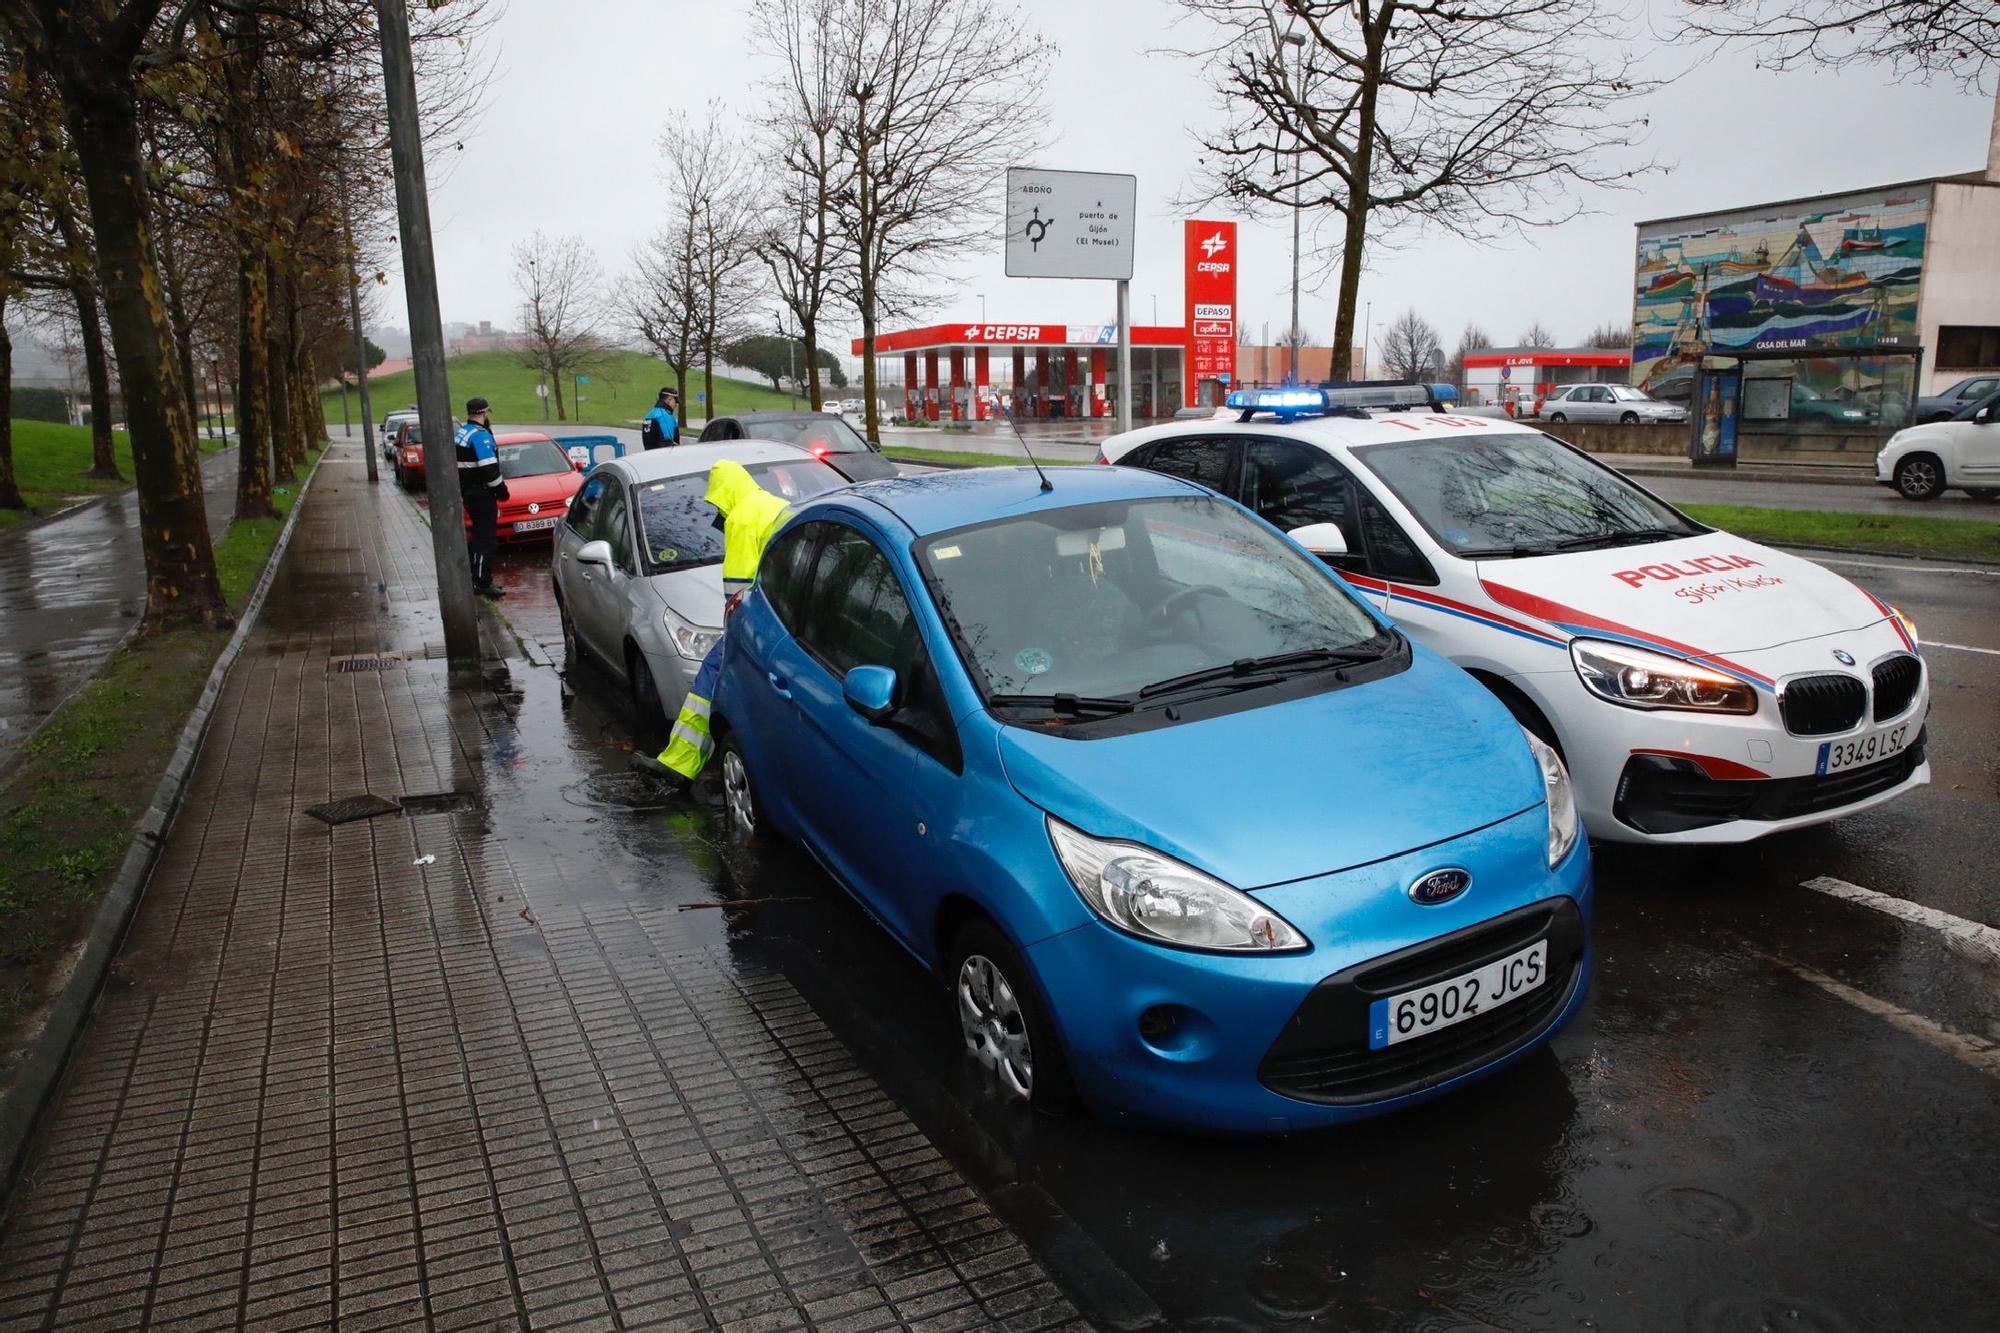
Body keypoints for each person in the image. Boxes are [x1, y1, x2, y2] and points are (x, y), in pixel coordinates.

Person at [630, 459, 792, 788]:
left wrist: (734, 629)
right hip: (784, 615)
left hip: (757, 621)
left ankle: (680, 764)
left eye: (716, 500)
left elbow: (736, 589)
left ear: (725, 492)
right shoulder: (774, 504)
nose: (716, 511)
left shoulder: (743, 518)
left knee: (709, 681)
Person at [454, 397, 509, 599]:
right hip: (482, 493)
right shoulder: (480, 436)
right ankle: (482, 582)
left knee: (477, 536)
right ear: (484, 413)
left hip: (468, 492)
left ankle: (475, 577)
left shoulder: (461, 432)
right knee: (486, 539)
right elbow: (489, 468)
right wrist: (501, 491)